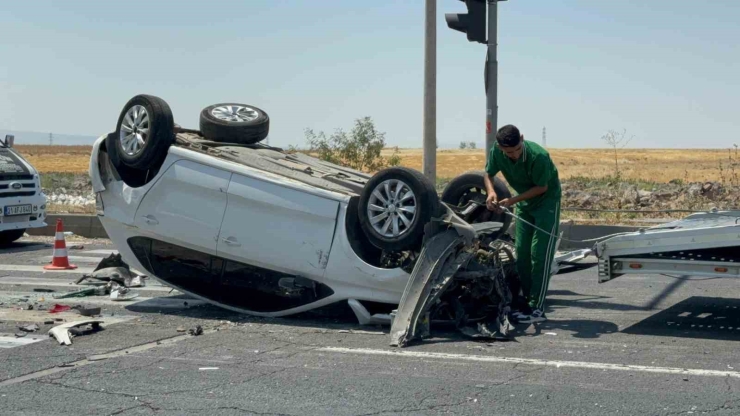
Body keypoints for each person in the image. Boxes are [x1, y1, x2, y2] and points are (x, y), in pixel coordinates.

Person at [483, 124, 562, 323]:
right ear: (500, 148)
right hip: (525, 203)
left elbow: (542, 187)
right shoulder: (497, 152)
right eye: (508, 152)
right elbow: (488, 174)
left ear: (522, 139)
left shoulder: (538, 156)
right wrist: (491, 192)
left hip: (546, 203)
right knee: (522, 253)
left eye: (517, 149)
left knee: (539, 253)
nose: (514, 155)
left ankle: (537, 309)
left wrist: (511, 201)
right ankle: (526, 302)